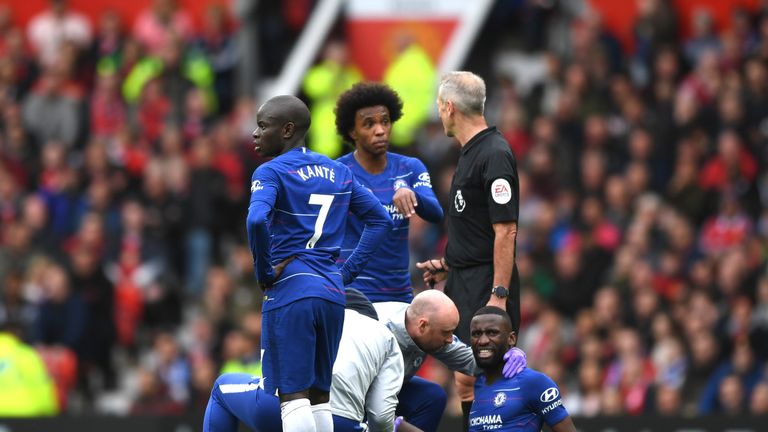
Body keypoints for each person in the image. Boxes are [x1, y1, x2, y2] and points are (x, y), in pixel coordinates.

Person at [246, 95, 392, 432]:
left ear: (286, 130)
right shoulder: (338, 171)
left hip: (292, 290)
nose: (255, 133)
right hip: (331, 292)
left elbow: (256, 221)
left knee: (293, 395)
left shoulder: (270, 171)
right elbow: (380, 220)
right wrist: (345, 274)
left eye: (263, 126)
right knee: (319, 397)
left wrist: (264, 272)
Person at [417, 71, 521, 424]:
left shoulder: (494, 154)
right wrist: (450, 263)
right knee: (464, 380)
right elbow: (476, 227)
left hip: (487, 283)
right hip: (465, 276)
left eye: (438, 107)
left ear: (449, 107)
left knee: (490, 377)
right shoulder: (469, 152)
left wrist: (500, 294)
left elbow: (506, 231)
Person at [202, 288, 419, 432]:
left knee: (221, 388)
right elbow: (381, 416)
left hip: (282, 407)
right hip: (344, 424)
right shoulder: (386, 338)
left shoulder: (313, 316)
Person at [335, 82, 443, 319]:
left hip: (399, 296)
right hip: (354, 298)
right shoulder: (338, 173)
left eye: (385, 121)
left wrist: (411, 194)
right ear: (352, 131)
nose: (380, 130)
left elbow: (436, 213)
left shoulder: (409, 167)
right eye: (369, 124)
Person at [382, 290, 526, 431]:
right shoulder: (380, 335)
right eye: (446, 332)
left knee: (432, 396)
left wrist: (504, 356)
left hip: (390, 388)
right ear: (422, 325)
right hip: (364, 392)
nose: (450, 339)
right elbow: (376, 410)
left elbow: (471, 361)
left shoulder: (425, 327)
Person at [469, 306, 577, 432]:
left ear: (511, 339)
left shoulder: (535, 383)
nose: (482, 341)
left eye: (492, 332)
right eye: (476, 334)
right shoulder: (475, 384)